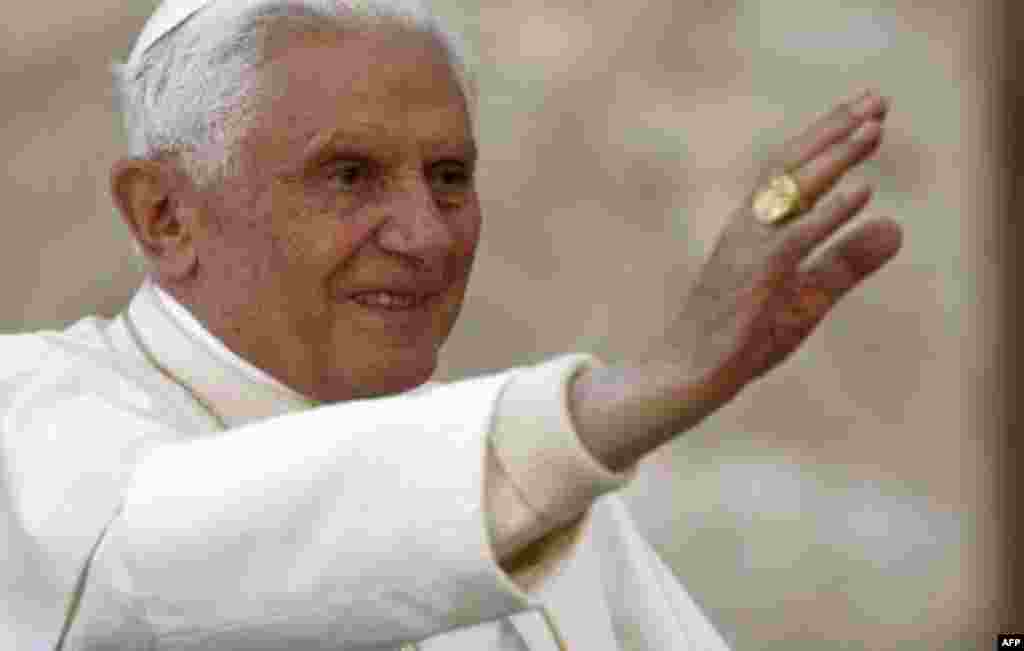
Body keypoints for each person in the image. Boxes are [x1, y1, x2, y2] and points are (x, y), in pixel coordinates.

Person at [0, 0, 902, 649]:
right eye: (348, 175)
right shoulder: (27, 413)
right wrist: (641, 394)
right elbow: (169, 553)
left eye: (448, 176)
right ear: (165, 213)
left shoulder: (537, 491)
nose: (426, 237)